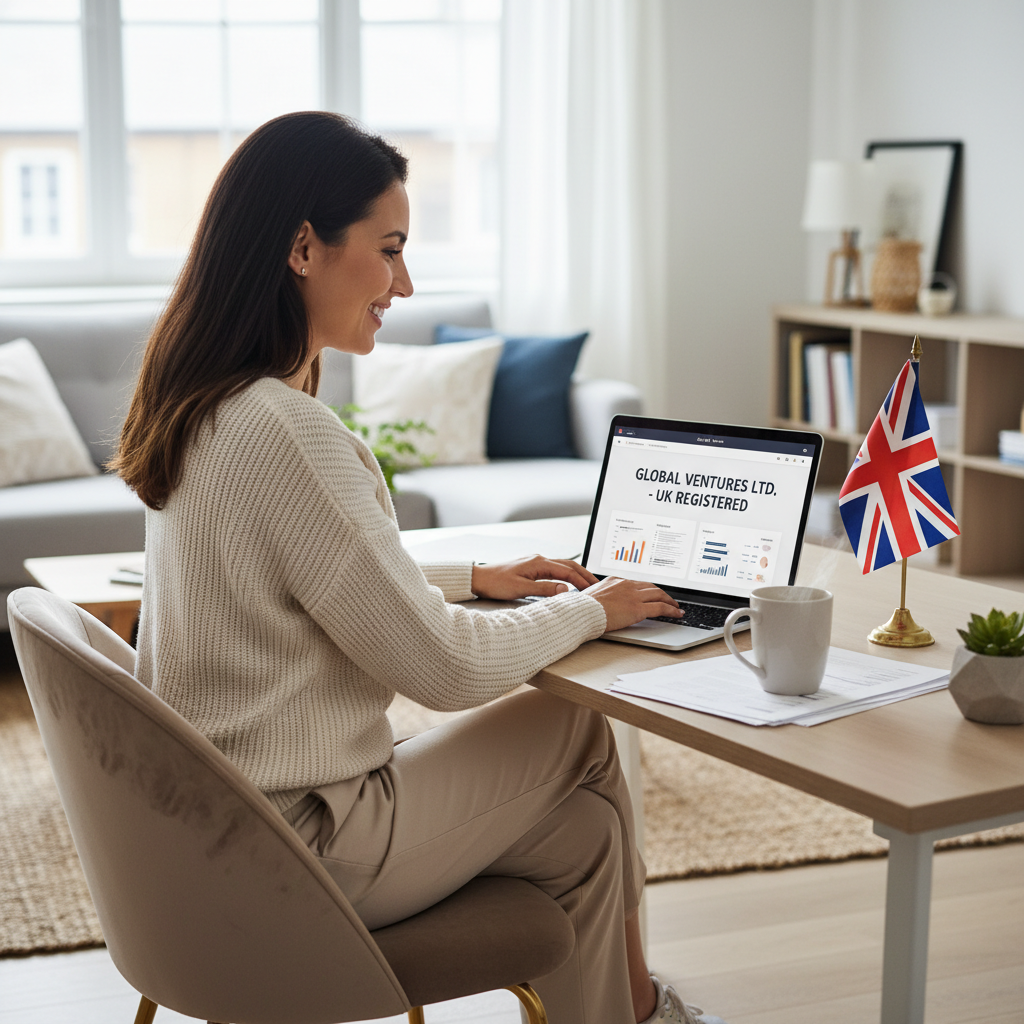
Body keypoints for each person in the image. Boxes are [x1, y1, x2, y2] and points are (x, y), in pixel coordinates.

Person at [114, 111, 724, 1024]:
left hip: (219, 836)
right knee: (576, 734)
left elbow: (288, 580)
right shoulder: (289, 434)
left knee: (583, 831)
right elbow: (445, 671)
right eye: (390, 247)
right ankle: (643, 1017)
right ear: (302, 247)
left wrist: (471, 580)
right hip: (304, 844)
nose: (406, 281)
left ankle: (631, 1012)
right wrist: (597, 606)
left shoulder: (205, 408)